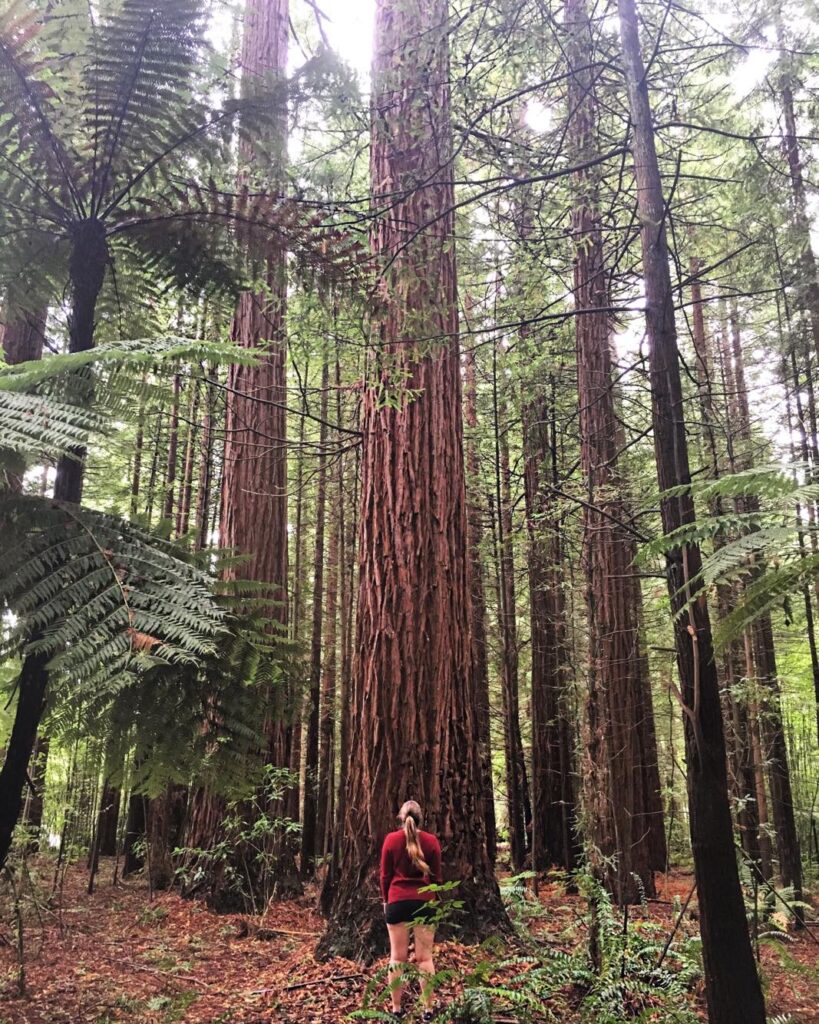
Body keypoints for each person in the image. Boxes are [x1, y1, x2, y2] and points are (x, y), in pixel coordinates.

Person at [380, 800, 442, 1021]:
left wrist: (386, 901)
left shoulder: (390, 840)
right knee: (425, 959)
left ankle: (396, 1009)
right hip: (424, 902)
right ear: (420, 817)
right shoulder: (432, 841)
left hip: (396, 901)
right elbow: (437, 878)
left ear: (401, 817)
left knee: (397, 958)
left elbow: (385, 877)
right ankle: (427, 1009)